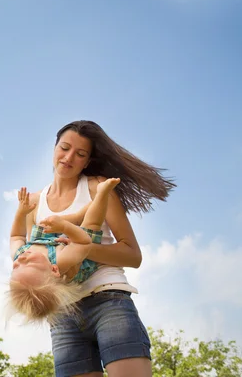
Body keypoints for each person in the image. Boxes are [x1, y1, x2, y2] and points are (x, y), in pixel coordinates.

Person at [23, 120, 176, 377]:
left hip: (109, 301)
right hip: (64, 315)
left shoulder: (98, 188)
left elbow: (132, 254)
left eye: (80, 154)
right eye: (65, 147)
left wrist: (82, 247)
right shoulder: (34, 204)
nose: (69, 157)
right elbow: (33, 260)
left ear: (87, 161)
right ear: (54, 148)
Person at [8, 178, 121, 323]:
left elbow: (16, 236)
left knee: (46, 223)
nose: (21, 259)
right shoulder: (61, 261)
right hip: (77, 252)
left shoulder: (19, 254)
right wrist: (65, 227)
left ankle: (78, 215)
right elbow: (83, 243)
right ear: (53, 269)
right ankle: (102, 195)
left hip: (48, 240)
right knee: (90, 225)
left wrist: (21, 213)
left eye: (15, 267)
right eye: (29, 264)